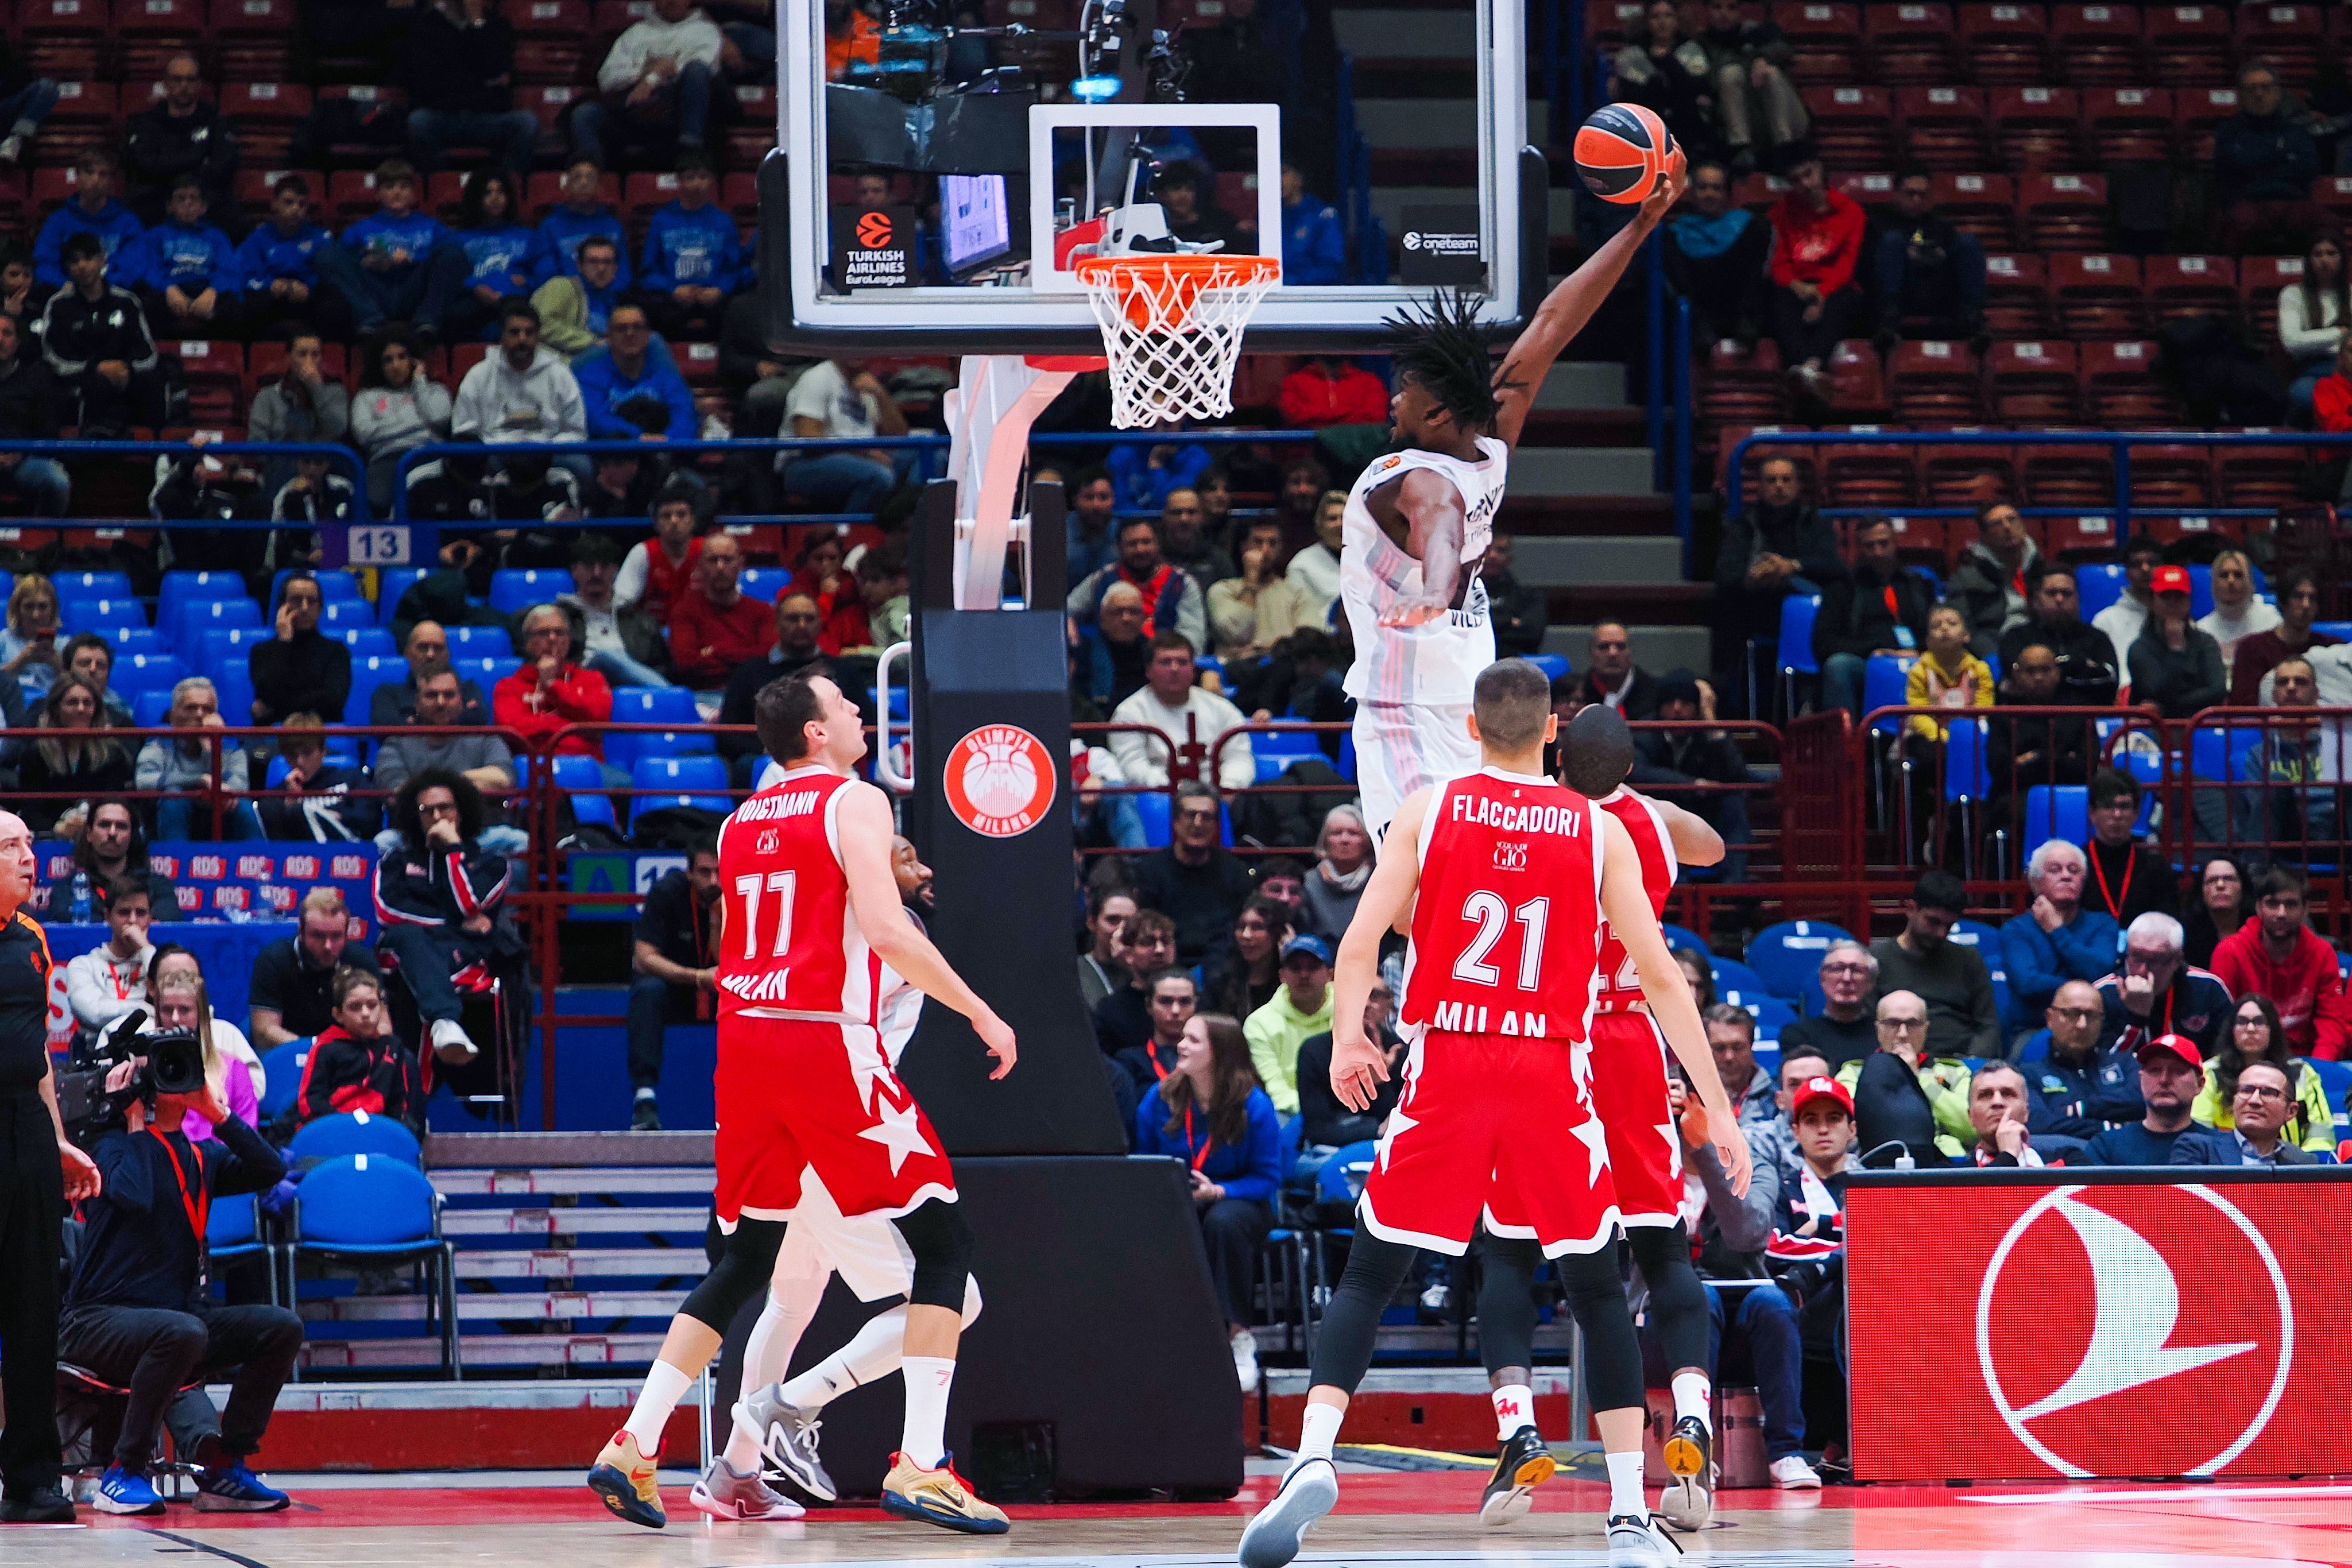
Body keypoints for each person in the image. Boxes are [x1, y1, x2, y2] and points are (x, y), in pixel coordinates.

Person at [1237, 659, 1748, 1567]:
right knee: (1594, 1286)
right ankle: (1630, 1510)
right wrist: (1721, 1107)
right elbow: (1665, 978)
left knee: (1370, 1271)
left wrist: (1352, 1039)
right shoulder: (1597, 827)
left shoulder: (1429, 810)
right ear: (1552, 730)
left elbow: (1360, 944)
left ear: (1471, 729)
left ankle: (1313, 1452)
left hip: (1448, 1057)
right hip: (1553, 1066)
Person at [589, 672, 1019, 1533]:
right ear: (817, 734)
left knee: (748, 1258)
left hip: (744, 1040)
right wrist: (980, 1009)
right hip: (822, 1034)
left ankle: (635, 1442)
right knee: (945, 1241)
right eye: (847, 705)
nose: (861, 712)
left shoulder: (738, 818)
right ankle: (923, 1463)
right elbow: (891, 930)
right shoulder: (856, 800)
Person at [1343, 164, 1682, 844]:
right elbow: (1555, 320)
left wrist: (1435, 593)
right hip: (1479, 711)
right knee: (1474, 882)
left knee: (1419, 901)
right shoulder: (1491, 438)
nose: (1390, 401)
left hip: (1406, 711)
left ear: (1435, 411)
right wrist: (1639, 227)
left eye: (1402, 391)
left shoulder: (1418, 477)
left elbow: (1438, 531)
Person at [56, 1024, 300, 1517]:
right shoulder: (106, 1149)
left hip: (174, 1323)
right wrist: (131, 1118)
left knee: (280, 1327)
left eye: (177, 1065)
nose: (170, 1078)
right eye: (156, 1069)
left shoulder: (200, 1156)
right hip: (96, 1322)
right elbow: (137, 1195)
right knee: (182, 1329)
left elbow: (270, 1169)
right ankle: (123, 1471)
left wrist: (217, 1113)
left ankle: (225, 1468)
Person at [0, 810, 102, 1523]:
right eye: (13, 847)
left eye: (32, 844)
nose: (32, 857)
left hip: (26, 1129)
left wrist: (58, 1140)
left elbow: (38, 1057)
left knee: (35, 1307)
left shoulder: (34, 939)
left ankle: (33, 1476)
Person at [1131, 1012, 1283, 1388]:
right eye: (1183, 1037)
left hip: (1242, 1202)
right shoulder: (1161, 1096)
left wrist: (1220, 1190)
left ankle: (1238, 1337)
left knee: (1223, 1221)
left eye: (1193, 1040)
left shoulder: (1255, 1105)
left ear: (1220, 1052)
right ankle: (1161, 1338)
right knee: (1146, 1223)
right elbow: (1141, 1162)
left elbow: (1268, 1178)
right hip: (1180, 1200)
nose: (1181, 1045)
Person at [373, 770, 521, 1068]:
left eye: (446, 808)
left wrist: (453, 851)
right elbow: (387, 912)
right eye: (427, 810)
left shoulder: (493, 864)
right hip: (404, 952)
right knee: (409, 938)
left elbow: (470, 906)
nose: (438, 816)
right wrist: (450, 922)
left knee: (422, 956)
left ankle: (417, 1085)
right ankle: (444, 1020)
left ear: (462, 811)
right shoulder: (396, 861)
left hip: (461, 956)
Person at [1713, 456, 1843, 710]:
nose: (1779, 486)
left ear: (1797, 485)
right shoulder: (1743, 526)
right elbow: (1726, 574)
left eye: (1786, 480)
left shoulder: (1815, 523)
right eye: (1771, 480)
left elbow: (1835, 568)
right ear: (1760, 487)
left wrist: (1793, 567)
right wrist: (1751, 579)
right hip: (1757, 613)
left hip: (1812, 620)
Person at [2206, 864, 2350, 1060]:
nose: (2281, 913)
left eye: (2291, 904)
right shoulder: (2230, 952)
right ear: (2258, 907)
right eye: (2272, 904)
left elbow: (2331, 1021)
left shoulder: (2323, 953)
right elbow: (2223, 1023)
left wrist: (2318, 1070)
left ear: (2306, 909)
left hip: (2306, 1062)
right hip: (2247, 1060)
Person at [373, 668, 524, 852]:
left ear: (461, 701)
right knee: (383, 842)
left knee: (520, 841)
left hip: (481, 834)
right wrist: (465, 785)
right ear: (417, 703)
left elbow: (503, 780)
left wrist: (432, 783)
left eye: (449, 695)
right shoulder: (395, 744)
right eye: (432, 695)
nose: (441, 702)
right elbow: (398, 793)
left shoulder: (487, 738)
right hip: (415, 837)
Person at [626, 835, 717, 1130]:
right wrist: (695, 977)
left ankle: (764, 1105)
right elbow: (644, 957)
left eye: (720, 872)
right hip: (677, 987)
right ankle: (645, 1100)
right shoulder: (667, 893)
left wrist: (718, 918)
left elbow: (734, 960)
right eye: (705, 872)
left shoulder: (739, 895)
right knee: (648, 991)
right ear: (690, 873)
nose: (714, 880)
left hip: (721, 990)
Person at [400, 0, 541, 185]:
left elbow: (500, 74)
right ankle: (441, 186)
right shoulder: (427, 26)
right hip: (444, 116)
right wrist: (482, 84)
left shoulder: (497, 25)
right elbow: (427, 82)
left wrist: (477, 23)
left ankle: (505, 188)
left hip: (488, 117)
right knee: (418, 122)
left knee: (526, 122)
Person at [40, 232, 169, 431]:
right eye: (75, 261)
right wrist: (96, 369)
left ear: (102, 260)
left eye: (89, 258)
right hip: (83, 379)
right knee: (88, 386)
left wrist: (125, 368)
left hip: (126, 377)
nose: (82, 266)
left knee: (153, 382)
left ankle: (159, 455)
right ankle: (85, 453)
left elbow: (148, 352)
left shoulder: (127, 301)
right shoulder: (59, 305)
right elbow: (53, 356)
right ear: (68, 267)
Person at [1765, 157, 1866, 411]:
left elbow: (1846, 265)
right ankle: (1805, 371)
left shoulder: (1851, 211)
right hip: (1797, 285)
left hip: (1834, 286)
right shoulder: (1780, 212)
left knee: (1844, 298)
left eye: (1809, 174)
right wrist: (1799, 288)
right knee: (1778, 296)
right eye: (1796, 180)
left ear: (1821, 171)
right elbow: (1778, 263)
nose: (1805, 184)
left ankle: (1809, 367)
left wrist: (1821, 294)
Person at [575, 0, 725, 168]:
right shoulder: (636, 33)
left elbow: (702, 68)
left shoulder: (706, 31)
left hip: (678, 108)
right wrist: (643, 74)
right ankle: (591, 177)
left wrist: (653, 77)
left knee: (697, 72)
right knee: (585, 114)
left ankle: (690, 151)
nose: (671, 2)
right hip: (634, 106)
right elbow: (607, 78)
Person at [1868, 869, 1999, 1060]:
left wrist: (1972, 1062)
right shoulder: (1877, 960)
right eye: (1933, 922)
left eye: (1949, 926)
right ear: (1910, 909)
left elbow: (1987, 1025)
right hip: (1896, 1060)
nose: (1941, 933)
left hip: (1959, 1062)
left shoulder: (1968, 960)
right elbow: (1869, 1027)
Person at [1811, 516, 1933, 718]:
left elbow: (1935, 631)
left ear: (1895, 542)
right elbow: (1824, 644)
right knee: (1838, 666)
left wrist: (1917, 651)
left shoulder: (1918, 585)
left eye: (1883, 543)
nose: (1878, 552)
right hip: (1865, 661)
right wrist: (1875, 650)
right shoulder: (1842, 588)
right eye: (1870, 546)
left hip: (1916, 658)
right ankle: (1846, 746)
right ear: (1859, 548)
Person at [311, 160, 448, 336]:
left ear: (414, 194)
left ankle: (427, 321)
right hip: (374, 290)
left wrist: (415, 260)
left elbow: (450, 258)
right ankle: (370, 318)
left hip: (414, 289)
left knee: (453, 254)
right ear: (378, 194)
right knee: (326, 255)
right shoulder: (361, 228)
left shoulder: (433, 227)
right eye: (390, 187)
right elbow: (339, 261)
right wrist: (365, 262)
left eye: (404, 187)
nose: (397, 192)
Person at [2188, 993, 2337, 1155]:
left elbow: (2320, 1135)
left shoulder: (2301, 1073)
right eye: (2242, 1022)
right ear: (2232, 1030)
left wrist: (2302, 1165)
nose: (2251, 1029)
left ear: (2272, 1029)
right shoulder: (2211, 1073)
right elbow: (2201, 1130)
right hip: (2225, 1166)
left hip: (2291, 1168)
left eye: (2259, 1022)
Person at [1999, 839, 2119, 1038]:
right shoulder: (2016, 929)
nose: (2066, 876)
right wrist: (2086, 986)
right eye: (2055, 870)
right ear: (2035, 881)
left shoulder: (2103, 924)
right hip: (2035, 1030)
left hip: (2094, 1030)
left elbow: (2100, 972)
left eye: (2074, 870)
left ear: (2083, 880)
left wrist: (2056, 930)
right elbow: (2028, 984)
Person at [1837, 989, 1973, 1162]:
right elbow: (1851, 1125)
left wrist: (1918, 1078)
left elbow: (1970, 1128)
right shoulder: (1853, 1074)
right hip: (1875, 1162)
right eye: (1893, 1023)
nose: (1903, 1034)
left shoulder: (1955, 1073)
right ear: (1878, 1028)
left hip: (1948, 1166)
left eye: (1912, 1024)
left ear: (1925, 1027)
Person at [1109, 633, 1254, 795]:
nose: (1175, 669)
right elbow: (1133, 767)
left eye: (1183, 662)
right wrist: (1177, 793)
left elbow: (1240, 758)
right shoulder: (1128, 713)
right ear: (1148, 670)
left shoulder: (1223, 709)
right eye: (1165, 662)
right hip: (1160, 798)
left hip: (1217, 796)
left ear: (1193, 669)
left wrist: (1225, 788)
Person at [1132, 780, 1256, 966]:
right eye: (1191, 815)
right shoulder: (1150, 871)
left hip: (1224, 968)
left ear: (1215, 824)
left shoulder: (1235, 871)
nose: (1199, 824)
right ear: (1176, 821)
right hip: (1165, 968)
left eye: (1206, 816)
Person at [2212, 63, 2323, 255]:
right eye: (2252, 88)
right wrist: (2281, 161)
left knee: (2328, 224)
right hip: (2247, 203)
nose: (2259, 94)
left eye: (2266, 87)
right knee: (2240, 223)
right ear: (2241, 95)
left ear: (2278, 93)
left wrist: (2257, 164)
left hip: (2293, 203)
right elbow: (2230, 172)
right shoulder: (2228, 133)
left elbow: (2308, 168)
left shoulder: (2297, 133)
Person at [247, 888, 380, 1049]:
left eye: (336, 936)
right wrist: (317, 1050)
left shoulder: (361, 961)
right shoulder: (273, 959)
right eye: (318, 936)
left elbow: (384, 1027)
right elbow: (264, 1031)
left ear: (347, 934)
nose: (328, 946)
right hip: (292, 1052)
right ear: (301, 932)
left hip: (347, 1054)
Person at [291, 965, 416, 1130]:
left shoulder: (392, 1048)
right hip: (332, 1130)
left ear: (382, 1008)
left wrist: (385, 1131)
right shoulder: (326, 1047)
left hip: (378, 1131)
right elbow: (311, 1102)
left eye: (372, 1005)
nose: (365, 1013)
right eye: (355, 1007)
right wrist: (346, 1127)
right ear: (338, 1015)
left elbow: (398, 1102)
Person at [2095, 909, 2233, 1060]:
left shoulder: (2208, 988)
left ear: (2178, 960)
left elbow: (2227, 1056)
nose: (2142, 970)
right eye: (2136, 957)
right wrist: (2137, 1019)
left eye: (2155, 961)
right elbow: (2103, 1068)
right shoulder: (2102, 994)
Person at [451, 299, 589, 448]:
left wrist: (545, 450)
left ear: (538, 337)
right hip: (494, 453)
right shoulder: (479, 375)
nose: (522, 339)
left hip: (549, 453)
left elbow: (576, 431)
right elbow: (464, 432)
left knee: (581, 465)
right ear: (502, 336)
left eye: (529, 333)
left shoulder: (560, 374)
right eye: (514, 332)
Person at [2019, 979, 2138, 1151]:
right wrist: (2109, 1128)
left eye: (2091, 1015)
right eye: (2072, 1013)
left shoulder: (2125, 1064)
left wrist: (2080, 1109)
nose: (2082, 1025)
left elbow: (2141, 1102)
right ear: (2050, 1018)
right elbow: (2039, 1123)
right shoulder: (2029, 1075)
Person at [134, 677, 258, 843]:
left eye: (207, 709)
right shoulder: (159, 742)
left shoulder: (231, 746)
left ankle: (260, 865)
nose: (200, 714)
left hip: (221, 814)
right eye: (191, 708)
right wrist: (200, 780)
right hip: (171, 815)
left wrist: (212, 749)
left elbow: (240, 786)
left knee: (243, 806)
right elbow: (144, 781)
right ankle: (177, 862)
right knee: (174, 802)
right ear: (173, 716)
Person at [780, 357, 908, 514]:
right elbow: (808, 439)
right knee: (878, 476)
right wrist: (864, 453)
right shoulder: (818, 377)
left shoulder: (868, 383)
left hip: (861, 459)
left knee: (926, 457)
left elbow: (900, 436)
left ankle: (909, 524)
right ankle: (846, 531)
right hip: (805, 463)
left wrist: (881, 394)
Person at [231, 175, 348, 345]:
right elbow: (246, 275)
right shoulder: (258, 238)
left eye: (302, 205)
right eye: (289, 202)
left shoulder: (321, 237)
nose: (295, 209)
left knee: (337, 307)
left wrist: (307, 287)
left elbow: (330, 275)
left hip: (308, 296)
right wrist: (271, 285)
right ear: (274, 204)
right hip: (273, 296)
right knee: (243, 307)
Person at [1664, 159, 1769, 346]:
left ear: (1727, 193)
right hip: (1698, 319)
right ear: (1693, 193)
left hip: (1739, 313)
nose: (1709, 194)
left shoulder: (1748, 227)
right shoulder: (1677, 234)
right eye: (1702, 188)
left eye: (1716, 188)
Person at [1874, 168, 1986, 343]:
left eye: (1922, 194)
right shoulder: (1878, 225)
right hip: (1900, 294)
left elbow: (1948, 256)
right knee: (1892, 242)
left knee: (1969, 242)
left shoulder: (1942, 225)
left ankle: (1973, 319)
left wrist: (1932, 256)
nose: (1917, 199)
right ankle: (1888, 323)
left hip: (1938, 289)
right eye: (1910, 194)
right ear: (1897, 194)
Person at [1070, 516, 1210, 655]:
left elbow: (1192, 637)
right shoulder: (1102, 579)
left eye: (1146, 542)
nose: (1140, 550)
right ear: (1118, 548)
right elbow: (1068, 609)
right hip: (1110, 660)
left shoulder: (1182, 583)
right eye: (1132, 544)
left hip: (1163, 663)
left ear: (1158, 544)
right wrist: (1068, 623)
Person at [640, 156, 744, 340]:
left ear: (711, 180)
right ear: (678, 181)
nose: (697, 184)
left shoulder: (724, 221)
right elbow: (648, 269)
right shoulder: (662, 219)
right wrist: (672, 289)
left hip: (713, 298)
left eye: (703, 177)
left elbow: (734, 268)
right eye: (690, 177)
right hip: (673, 298)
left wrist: (720, 289)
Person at [1695, 0, 1805, 172]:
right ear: (1707, 10)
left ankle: (1785, 149)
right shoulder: (1700, 45)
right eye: (1717, 7)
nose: (1724, 14)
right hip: (1736, 124)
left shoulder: (1762, 31)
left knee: (1770, 73)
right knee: (1730, 74)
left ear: (1741, 11)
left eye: (1731, 8)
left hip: (1785, 122)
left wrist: (1762, 57)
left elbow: (1785, 49)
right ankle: (1742, 150)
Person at [1294, 982, 1405, 1152]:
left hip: (1389, 1149)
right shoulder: (1314, 1051)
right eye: (1359, 994)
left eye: (1375, 996)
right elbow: (1318, 1130)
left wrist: (1379, 1082)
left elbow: (1399, 1125)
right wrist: (1374, 1129)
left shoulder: (1401, 1052)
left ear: (1389, 1004)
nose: (1367, 1003)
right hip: (1328, 1151)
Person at [123, 178, 240, 340]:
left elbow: (229, 269)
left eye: (194, 198)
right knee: (145, 305)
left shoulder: (217, 236)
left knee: (235, 306)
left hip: (206, 290)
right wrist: (168, 288)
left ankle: (226, 360)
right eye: (181, 198)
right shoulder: (155, 235)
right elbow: (148, 267)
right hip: (170, 290)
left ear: (204, 207)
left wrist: (213, 291)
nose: (188, 203)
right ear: (169, 206)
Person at [350, 331, 453, 511]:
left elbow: (439, 418)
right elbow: (364, 434)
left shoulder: (436, 391)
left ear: (414, 360)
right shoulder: (366, 397)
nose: (396, 365)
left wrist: (420, 382)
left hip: (429, 456)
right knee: (372, 503)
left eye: (402, 357)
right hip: (385, 459)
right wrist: (419, 426)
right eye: (388, 360)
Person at [558, 531, 673, 689]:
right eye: (589, 566)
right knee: (607, 656)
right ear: (575, 571)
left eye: (604, 566)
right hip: (582, 684)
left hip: (632, 692)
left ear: (615, 570)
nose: (597, 573)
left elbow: (662, 667)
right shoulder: (560, 618)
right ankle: (670, 696)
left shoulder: (641, 621)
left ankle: (670, 697)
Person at [17, 676, 130, 837]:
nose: (81, 709)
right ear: (56, 709)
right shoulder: (35, 754)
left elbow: (118, 805)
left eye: (88, 703)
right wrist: (58, 828)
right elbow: (30, 811)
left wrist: (91, 825)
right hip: (50, 836)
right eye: (73, 703)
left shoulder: (112, 753)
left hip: (100, 835)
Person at [1995, 563, 2119, 704]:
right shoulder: (2016, 638)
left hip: (2084, 721)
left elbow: (2110, 681)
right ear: (2037, 599)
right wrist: (2079, 667)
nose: (2059, 599)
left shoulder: (2096, 638)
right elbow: (2016, 683)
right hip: (2027, 721)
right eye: (2051, 593)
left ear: (2077, 598)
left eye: (2066, 593)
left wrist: (2056, 670)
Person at [1239, 934, 1334, 1117]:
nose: (1304, 975)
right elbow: (1277, 1090)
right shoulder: (1258, 1024)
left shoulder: (1351, 1011)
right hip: (1290, 1113)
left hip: (1350, 1108)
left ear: (1330, 975)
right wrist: (1321, 1114)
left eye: (1313, 967)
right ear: (1282, 975)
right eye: (1295, 968)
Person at [576, 301, 695, 442]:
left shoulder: (665, 375)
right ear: (609, 336)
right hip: (614, 454)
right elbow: (596, 419)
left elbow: (685, 412)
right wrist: (638, 437)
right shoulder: (590, 375)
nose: (630, 334)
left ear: (648, 334)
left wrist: (669, 439)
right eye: (621, 328)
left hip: (666, 451)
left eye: (637, 327)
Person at [2081, 1033, 2204, 1165]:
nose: (2164, 1080)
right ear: (2140, 1080)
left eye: (2178, 1071)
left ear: (2200, 1084)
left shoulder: (2220, 1147)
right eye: (2155, 1070)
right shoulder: (2105, 1147)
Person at [2172, 1060, 2326, 1166]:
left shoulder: (2303, 1163)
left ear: (2291, 1111)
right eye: (2246, 1090)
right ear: (2234, 1100)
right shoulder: (2198, 1149)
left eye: (2268, 1093)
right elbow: (2183, 1209)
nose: (2254, 1101)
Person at [1613, 0, 1715, 158]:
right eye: (1655, 17)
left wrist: (1667, 61)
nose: (1663, 23)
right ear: (1647, 22)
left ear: (1677, 20)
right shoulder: (1632, 56)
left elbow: (1695, 90)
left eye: (1668, 16)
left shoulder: (1692, 51)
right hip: (1644, 133)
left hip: (1686, 132)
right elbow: (1633, 98)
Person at [668, 531, 769, 690]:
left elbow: (766, 660)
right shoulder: (684, 611)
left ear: (741, 563)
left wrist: (717, 651)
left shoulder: (762, 611)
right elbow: (686, 664)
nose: (720, 567)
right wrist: (743, 655)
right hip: (704, 694)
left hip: (751, 693)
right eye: (713, 560)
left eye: (727, 560)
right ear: (700, 565)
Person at [248, 574, 351, 727]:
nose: (304, 608)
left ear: (320, 608)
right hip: (273, 738)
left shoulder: (336, 651)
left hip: (322, 736)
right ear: (282, 607)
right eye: (297, 600)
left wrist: (278, 705)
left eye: (312, 601)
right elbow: (268, 692)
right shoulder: (262, 651)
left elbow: (333, 703)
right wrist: (284, 643)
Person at [255, 716, 377, 843]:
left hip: (346, 852)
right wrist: (290, 805)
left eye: (307, 753)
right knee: (298, 810)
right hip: (303, 858)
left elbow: (370, 819)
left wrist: (336, 818)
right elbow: (273, 840)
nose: (300, 761)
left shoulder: (351, 778)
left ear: (323, 751)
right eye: (292, 755)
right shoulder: (276, 797)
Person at [2229, 566, 2339, 706]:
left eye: (2312, 598)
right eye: (2298, 597)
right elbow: (2243, 709)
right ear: (2283, 601)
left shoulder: (2332, 649)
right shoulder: (2252, 648)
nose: (2306, 605)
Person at [2129, 562, 2226, 719]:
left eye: (2179, 596)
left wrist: (2168, 706)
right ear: (2152, 601)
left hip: (2200, 727)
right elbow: (2155, 690)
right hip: (2155, 731)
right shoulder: (2140, 648)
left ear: (2189, 601)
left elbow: (2217, 691)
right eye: (2165, 596)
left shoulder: (2206, 642)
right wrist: (2176, 649)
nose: (2172, 603)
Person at [2083, 767, 2177, 928]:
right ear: (2092, 813)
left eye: (2124, 806)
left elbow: (2168, 926)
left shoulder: (2157, 868)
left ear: (2137, 813)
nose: (2117, 814)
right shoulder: (2076, 866)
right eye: (2108, 806)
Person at [1946, 501, 2041, 660]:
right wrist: (1993, 657)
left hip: (2039, 649)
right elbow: (1963, 629)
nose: (2007, 527)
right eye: (1997, 524)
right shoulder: (1965, 578)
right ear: (1984, 536)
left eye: (2012, 519)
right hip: (1993, 651)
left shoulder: (2042, 570)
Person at [64, 877, 154, 1037]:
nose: (133, 921)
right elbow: (94, 1014)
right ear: (108, 916)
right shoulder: (82, 966)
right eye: (124, 913)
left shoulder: (156, 961)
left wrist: (145, 948)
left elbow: (175, 998)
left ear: (150, 918)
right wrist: (146, 1010)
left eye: (141, 913)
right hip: (97, 1053)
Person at [1775, 939, 1879, 1069]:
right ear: (1822, 978)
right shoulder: (1798, 1036)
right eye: (1838, 969)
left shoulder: (1883, 1032)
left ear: (1871, 982)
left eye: (1856, 970)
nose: (1847, 978)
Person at [1902, 603, 1994, 747]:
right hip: (1932, 739)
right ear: (1928, 640)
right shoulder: (1919, 671)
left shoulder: (1979, 670)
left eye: (1952, 624)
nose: (1944, 629)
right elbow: (1918, 715)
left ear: (1966, 635)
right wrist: (1944, 738)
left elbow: (1983, 710)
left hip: (1968, 737)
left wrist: (1963, 737)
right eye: (1936, 626)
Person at [70, 802, 182, 921]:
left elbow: (168, 920)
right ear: (89, 834)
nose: (112, 833)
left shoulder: (157, 885)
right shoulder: (70, 886)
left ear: (132, 835)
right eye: (105, 825)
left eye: (121, 826)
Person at [1091, 911, 1181, 1057]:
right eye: (1147, 943)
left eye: (1166, 941)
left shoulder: (1196, 1001)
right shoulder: (1110, 1011)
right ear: (1128, 954)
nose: (1160, 950)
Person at [0, 312, 63, 517]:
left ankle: (45, 544)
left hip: (24, 460)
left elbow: (49, 431)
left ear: (17, 343)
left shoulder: (35, 380)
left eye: (6, 333)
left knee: (57, 481)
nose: (0, 339)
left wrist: (20, 453)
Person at [2280, 234, 2347, 421]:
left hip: (2348, 372)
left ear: (2342, 258)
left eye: (2331, 253)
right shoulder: (2293, 294)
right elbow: (2292, 342)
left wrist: (2313, 340)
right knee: (2303, 396)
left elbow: (2302, 341)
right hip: (2312, 371)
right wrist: (2339, 334)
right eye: (2317, 254)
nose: (2324, 260)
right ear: (2309, 260)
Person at [535, 159, 630, 288]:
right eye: (577, 178)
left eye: (590, 178)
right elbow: (546, 274)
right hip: (568, 300)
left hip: (610, 298)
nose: (584, 183)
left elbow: (623, 273)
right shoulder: (550, 226)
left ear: (598, 187)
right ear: (567, 186)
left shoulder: (613, 226)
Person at [532, 233, 626, 360]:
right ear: (580, 266)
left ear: (615, 268)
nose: (601, 268)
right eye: (593, 262)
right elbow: (541, 325)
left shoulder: (615, 300)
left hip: (602, 361)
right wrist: (590, 341)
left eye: (607, 262)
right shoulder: (561, 286)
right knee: (653, 342)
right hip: (564, 362)